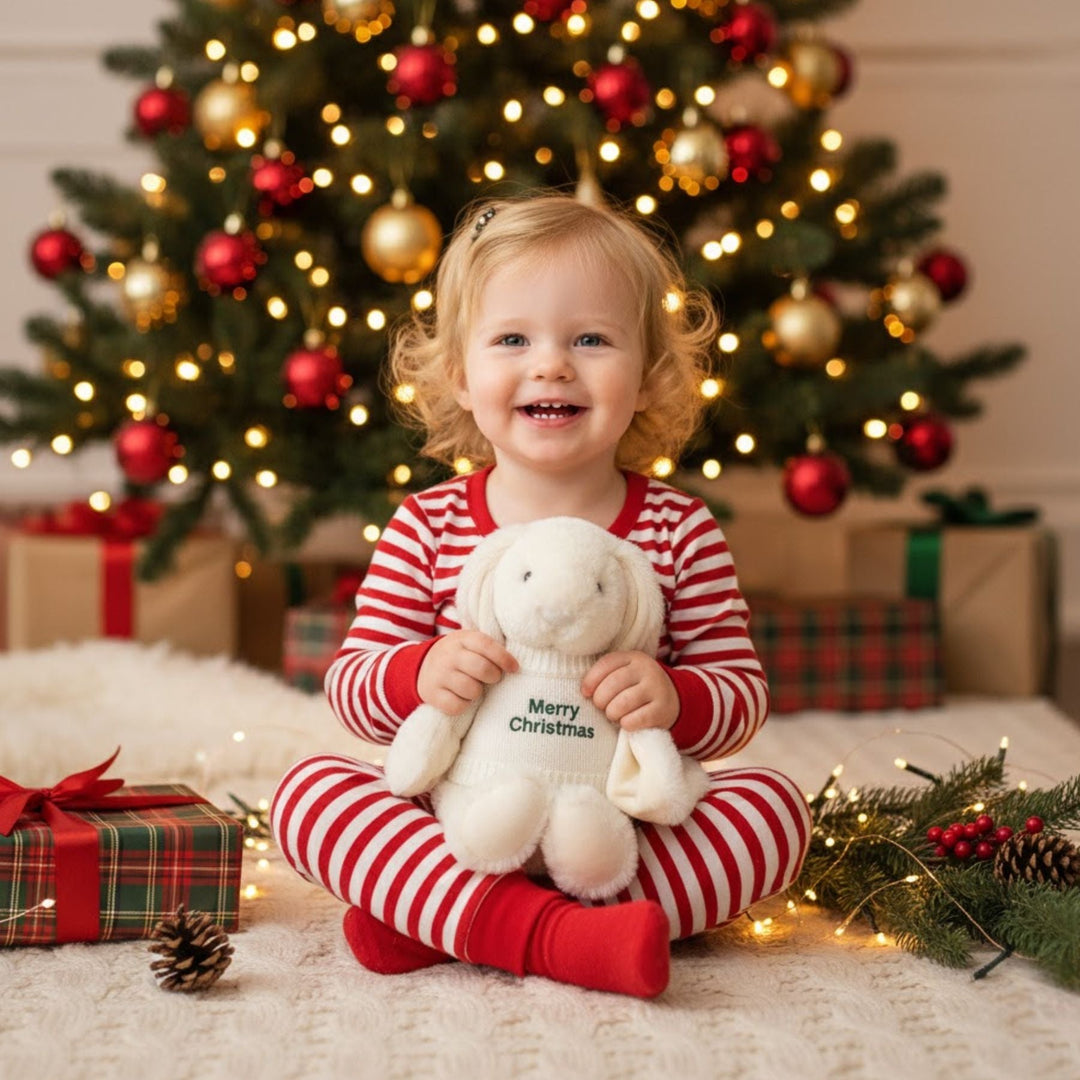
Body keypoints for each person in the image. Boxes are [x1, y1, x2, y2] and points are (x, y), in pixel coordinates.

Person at [271, 192, 811, 999]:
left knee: (773, 809)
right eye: (513, 339)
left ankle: (448, 916)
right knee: (310, 792)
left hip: (618, 830)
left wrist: (674, 696)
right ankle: (558, 937)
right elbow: (354, 689)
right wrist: (417, 673)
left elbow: (740, 698)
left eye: (591, 339)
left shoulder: (679, 530)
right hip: (460, 821)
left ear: (649, 373)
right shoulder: (426, 525)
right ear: (460, 374)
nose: (552, 364)